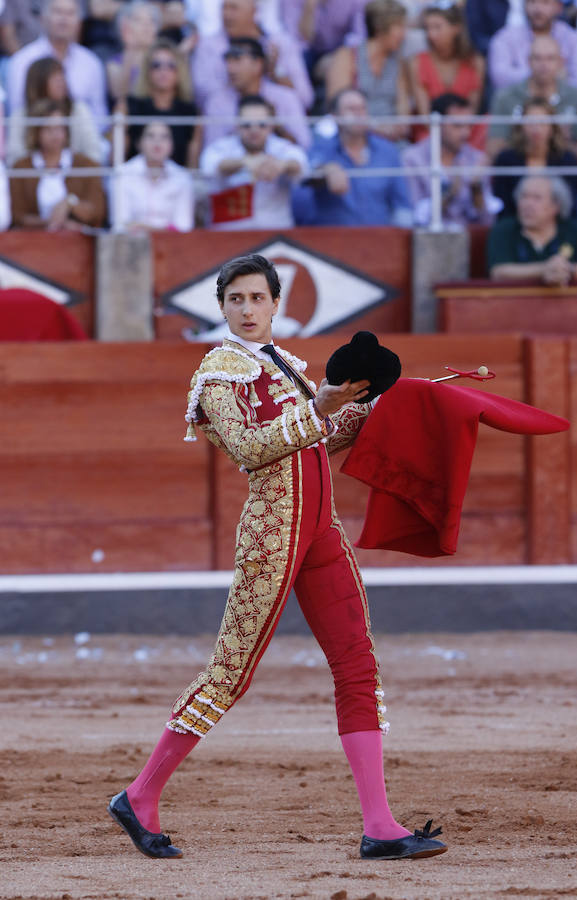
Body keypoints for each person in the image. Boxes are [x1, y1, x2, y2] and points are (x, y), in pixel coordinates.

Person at [107, 252, 448, 863]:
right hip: (271, 535)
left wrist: (370, 408)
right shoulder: (217, 371)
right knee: (230, 672)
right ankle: (140, 794)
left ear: (274, 303)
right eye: (235, 299)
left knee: (357, 664)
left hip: (321, 533)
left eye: (256, 298)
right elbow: (250, 447)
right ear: (221, 306)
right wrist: (318, 409)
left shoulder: (287, 365)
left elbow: (319, 437)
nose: (246, 309)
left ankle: (380, 825)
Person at [292, 87, 411, 225]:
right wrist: (327, 169)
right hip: (331, 241)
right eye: (351, 109)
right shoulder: (321, 147)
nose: (359, 114)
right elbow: (305, 176)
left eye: (362, 108)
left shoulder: (388, 151)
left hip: (380, 240)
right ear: (335, 116)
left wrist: (403, 240)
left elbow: (402, 204)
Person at [201, 94, 308, 228]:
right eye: (247, 125)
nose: (254, 130)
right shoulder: (220, 147)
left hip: (275, 235)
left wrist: (281, 165)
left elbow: (300, 163)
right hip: (229, 234)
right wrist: (244, 162)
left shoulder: (282, 148)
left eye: (262, 125)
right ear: (237, 125)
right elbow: (210, 166)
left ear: (271, 126)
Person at [325, 0, 425, 143]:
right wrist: (376, 128)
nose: (404, 34)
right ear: (380, 28)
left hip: (392, 140)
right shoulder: (347, 57)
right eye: (399, 26)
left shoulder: (399, 62)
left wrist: (399, 127)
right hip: (353, 137)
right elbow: (337, 107)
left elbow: (403, 107)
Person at [487, 35, 577, 163]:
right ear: (528, 61)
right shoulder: (505, 97)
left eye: (550, 58)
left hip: (563, 174)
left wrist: (556, 140)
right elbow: (493, 150)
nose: (543, 65)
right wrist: (527, 138)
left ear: (561, 62)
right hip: (517, 173)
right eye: (537, 58)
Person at [192, 0, 313, 111]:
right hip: (226, 119)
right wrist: (243, 79)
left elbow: (305, 99)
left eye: (234, 8)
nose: (226, 15)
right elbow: (201, 97)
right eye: (224, 8)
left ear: (254, 10)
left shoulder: (280, 43)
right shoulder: (207, 46)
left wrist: (274, 72)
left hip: (276, 121)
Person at [403, 92, 499, 227]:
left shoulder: (476, 159)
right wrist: (449, 194)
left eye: (468, 126)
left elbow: (488, 222)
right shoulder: (412, 159)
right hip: (426, 242)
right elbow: (415, 217)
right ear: (436, 125)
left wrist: (477, 191)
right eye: (457, 126)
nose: (466, 133)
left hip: (469, 241)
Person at [10, 98, 106, 230]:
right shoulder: (21, 167)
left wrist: (70, 203)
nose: (55, 135)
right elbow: (17, 216)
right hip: (33, 242)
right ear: (36, 132)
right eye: (48, 129)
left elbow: (97, 211)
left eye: (60, 128)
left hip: (78, 242)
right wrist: (52, 223)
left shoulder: (86, 165)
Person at [201, 36, 311, 149]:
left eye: (237, 60)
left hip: (279, 164)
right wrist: (242, 132)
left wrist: (274, 123)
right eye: (228, 61)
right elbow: (212, 151)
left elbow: (303, 146)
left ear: (258, 64)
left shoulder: (286, 98)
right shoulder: (216, 102)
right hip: (234, 164)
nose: (230, 69)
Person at [487, 173, 577, 283]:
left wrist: (569, 269)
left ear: (556, 205)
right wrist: (544, 269)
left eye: (537, 198)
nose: (528, 204)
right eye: (524, 196)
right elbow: (498, 272)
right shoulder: (503, 230)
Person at [7, 0, 108, 120]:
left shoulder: (91, 62)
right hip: (32, 136)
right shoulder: (22, 61)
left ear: (79, 22)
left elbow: (100, 116)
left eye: (70, 13)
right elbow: (17, 112)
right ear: (43, 18)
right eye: (58, 12)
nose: (64, 19)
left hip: (82, 135)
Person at [491, 96, 577, 218]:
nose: (536, 128)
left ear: (552, 128)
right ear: (522, 126)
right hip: (515, 225)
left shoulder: (567, 160)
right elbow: (502, 205)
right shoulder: (505, 160)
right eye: (531, 122)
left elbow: (570, 207)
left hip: (557, 226)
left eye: (542, 122)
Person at [406, 2, 485, 145]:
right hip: (430, 134)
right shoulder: (417, 62)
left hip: (466, 132)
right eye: (427, 28)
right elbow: (425, 116)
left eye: (437, 27)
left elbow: (472, 109)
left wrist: (459, 133)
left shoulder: (475, 62)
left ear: (456, 28)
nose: (431, 34)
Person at [120, 37, 201, 168]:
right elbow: (116, 159)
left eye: (171, 66)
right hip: (133, 182)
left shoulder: (190, 112)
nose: (164, 71)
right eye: (156, 65)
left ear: (180, 70)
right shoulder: (128, 107)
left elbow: (192, 166)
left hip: (176, 183)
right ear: (147, 70)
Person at [7, 56, 103, 165]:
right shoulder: (21, 116)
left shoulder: (78, 111)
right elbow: (14, 159)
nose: (61, 82)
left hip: (73, 177)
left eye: (62, 76)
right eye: (54, 77)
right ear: (39, 81)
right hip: (34, 179)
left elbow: (94, 153)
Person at [488, 0, 577, 94]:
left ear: (559, 7)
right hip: (519, 104)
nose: (537, 9)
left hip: (563, 106)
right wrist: (551, 76)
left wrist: (537, 78)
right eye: (532, 2)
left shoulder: (574, 39)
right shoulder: (505, 38)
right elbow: (500, 79)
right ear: (524, 6)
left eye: (545, 2)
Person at [110, 120, 194, 231]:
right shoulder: (122, 175)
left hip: (171, 245)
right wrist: (163, 230)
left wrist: (145, 228)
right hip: (130, 243)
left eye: (164, 137)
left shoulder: (182, 178)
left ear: (172, 145)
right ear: (139, 143)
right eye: (150, 136)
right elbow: (120, 225)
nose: (157, 141)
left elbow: (184, 227)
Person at [106, 1, 161, 104]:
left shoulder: (165, 59)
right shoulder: (114, 64)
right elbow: (119, 96)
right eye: (138, 20)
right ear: (125, 27)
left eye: (152, 20)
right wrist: (130, 49)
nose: (146, 25)